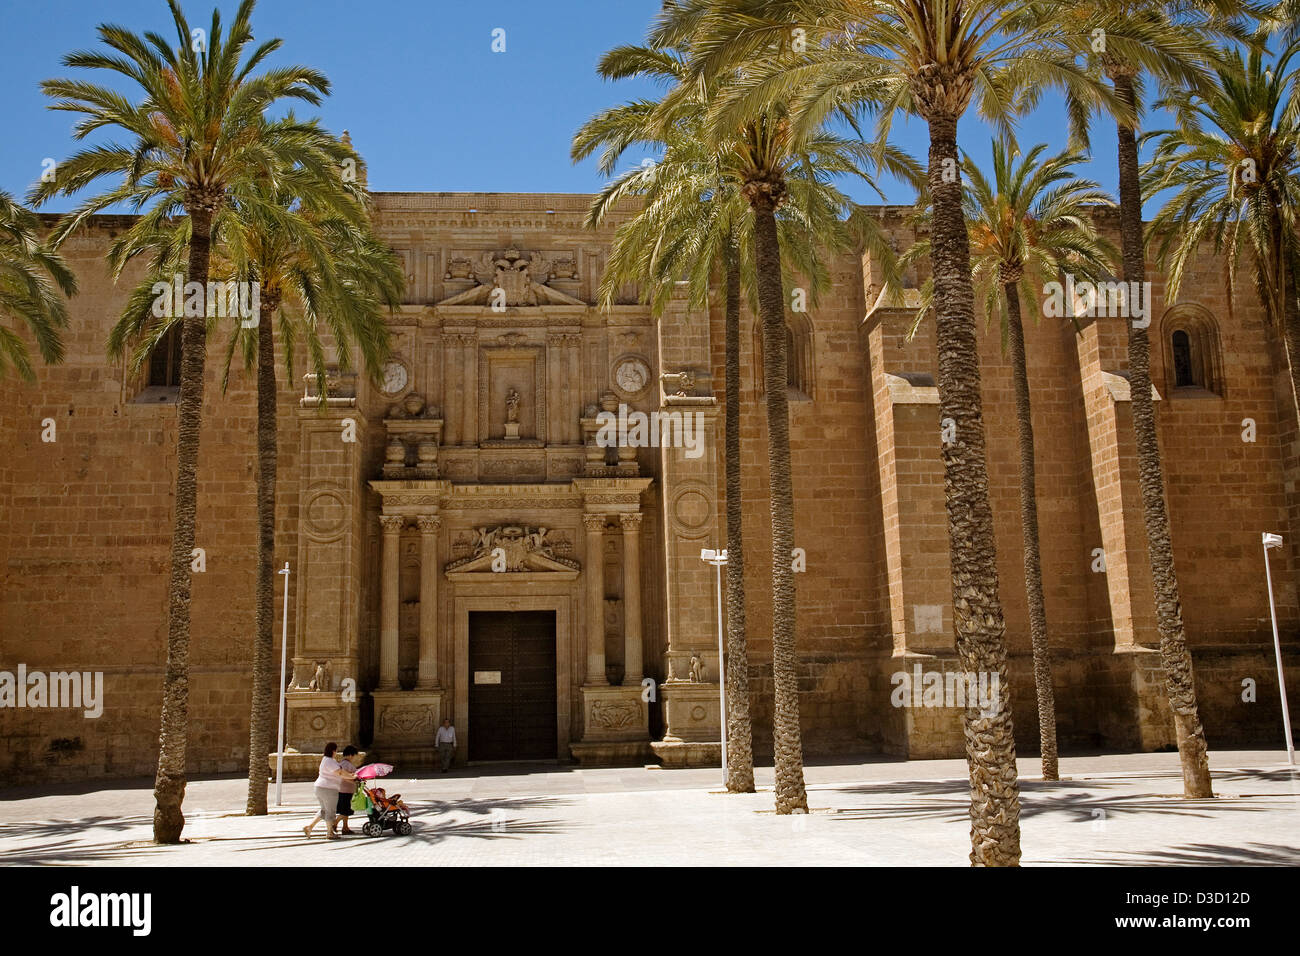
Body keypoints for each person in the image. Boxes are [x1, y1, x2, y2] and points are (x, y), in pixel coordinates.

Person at [303, 742, 355, 840]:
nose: (336, 752)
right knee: (330, 811)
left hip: (320, 787)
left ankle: (309, 827)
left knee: (324, 811)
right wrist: (352, 776)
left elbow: (340, 773)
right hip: (328, 789)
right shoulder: (330, 761)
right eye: (336, 750)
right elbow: (339, 772)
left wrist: (350, 776)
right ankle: (329, 833)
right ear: (333, 751)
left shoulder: (325, 760)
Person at [336, 745, 360, 835]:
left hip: (343, 789)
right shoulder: (347, 764)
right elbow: (344, 777)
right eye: (354, 756)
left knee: (345, 810)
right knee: (346, 810)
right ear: (350, 755)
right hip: (346, 790)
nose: (354, 758)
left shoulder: (341, 763)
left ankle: (345, 827)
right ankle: (335, 823)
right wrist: (354, 781)